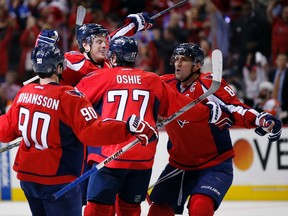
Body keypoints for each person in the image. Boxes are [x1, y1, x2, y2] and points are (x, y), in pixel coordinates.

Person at [75, 36, 233, 216]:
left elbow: (72, 101)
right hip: (141, 159)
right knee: (130, 209)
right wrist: (209, 112)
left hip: (110, 156)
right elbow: (181, 107)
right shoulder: (152, 80)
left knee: (97, 209)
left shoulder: (99, 76)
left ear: (113, 57)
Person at [0, 44, 157, 216]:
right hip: (58, 180)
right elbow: (93, 132)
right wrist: (127, 127)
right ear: (59, 67)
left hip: (28, 179)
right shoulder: (69, 96)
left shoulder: (24, 93)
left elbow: (6, 131)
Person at [147, 43, 283, 216]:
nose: (178, 64)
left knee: (200, 207)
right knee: (157, 210)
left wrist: (260, 118)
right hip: (179, 164)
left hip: (214, 164)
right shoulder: (164, 83)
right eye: (177, 59)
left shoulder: (208, 83)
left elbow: (235, 108)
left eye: (184, 60)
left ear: (197, 65)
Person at [34, 12, 154, 86]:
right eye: (99, 42)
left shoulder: (106, 62)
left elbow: (113, 37)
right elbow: (49, 60)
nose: (104, 45)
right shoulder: (76, 61)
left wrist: (135, 24)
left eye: (104, 42)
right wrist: (43, 46)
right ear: (85, 45)